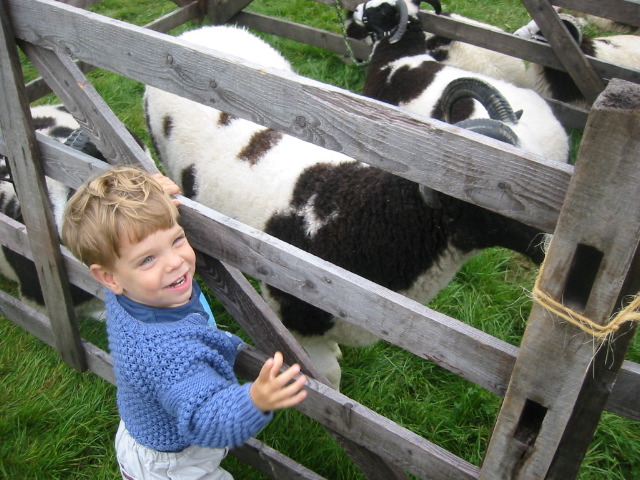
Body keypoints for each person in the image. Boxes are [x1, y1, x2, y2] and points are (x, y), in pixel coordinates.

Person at [62, 165, 307, 480]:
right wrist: (254, 400)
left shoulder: (128, 291)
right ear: (109, 277)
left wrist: (151, 201)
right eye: (148, 259)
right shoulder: (169, 356)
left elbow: (126, 230)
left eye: (176, 240)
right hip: (173, 465)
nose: (175, 261)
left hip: (145, 427)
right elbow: (205, 420)